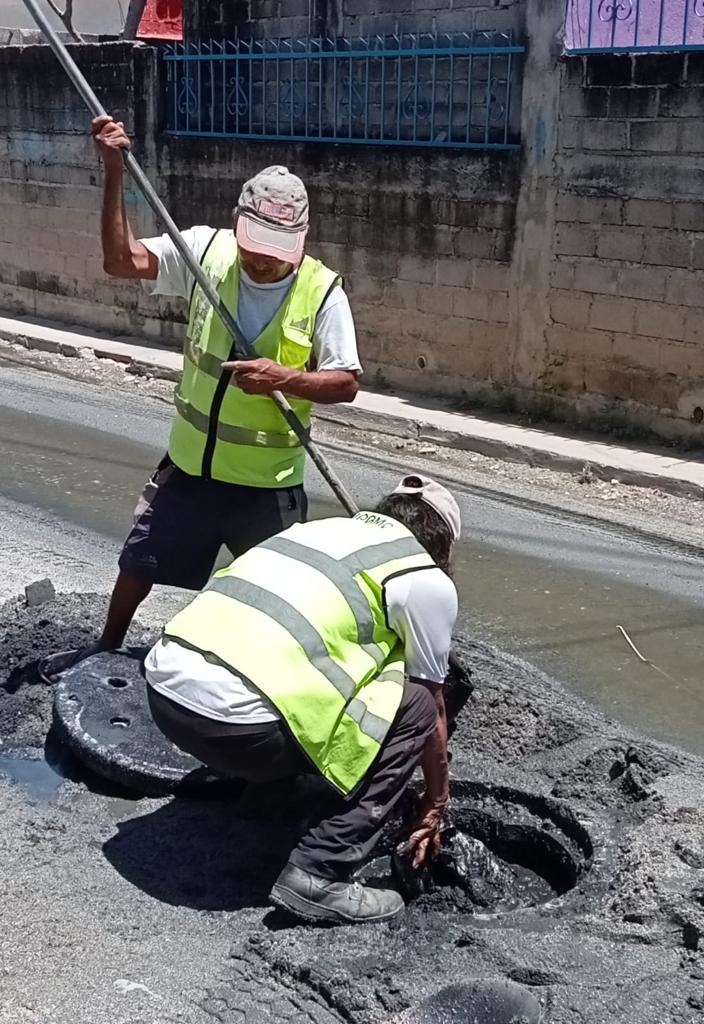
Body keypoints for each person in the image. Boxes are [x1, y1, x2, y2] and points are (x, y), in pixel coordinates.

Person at [43, 116, 360, 676]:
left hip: (267, 488)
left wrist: (283, 378)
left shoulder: (322, 290)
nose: (261, 259)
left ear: (300, 240)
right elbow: (120, 261)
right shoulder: (203, 254)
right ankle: (106, 647)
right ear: (237, 225)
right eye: (254, 245)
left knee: (284, 602)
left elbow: (345, 383)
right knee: (138, 560)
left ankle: (286, 685)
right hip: (190, 468)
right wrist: (114, 169)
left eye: (275, 249)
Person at [144, 474, 461, 924]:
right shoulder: (425, 578)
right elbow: (433, 705)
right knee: (413, 705)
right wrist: (435, 802)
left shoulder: (315, 531)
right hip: (238, 733)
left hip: (165, 696)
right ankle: (319, 871)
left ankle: (269, 794)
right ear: (444, 545)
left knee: (321, 659)